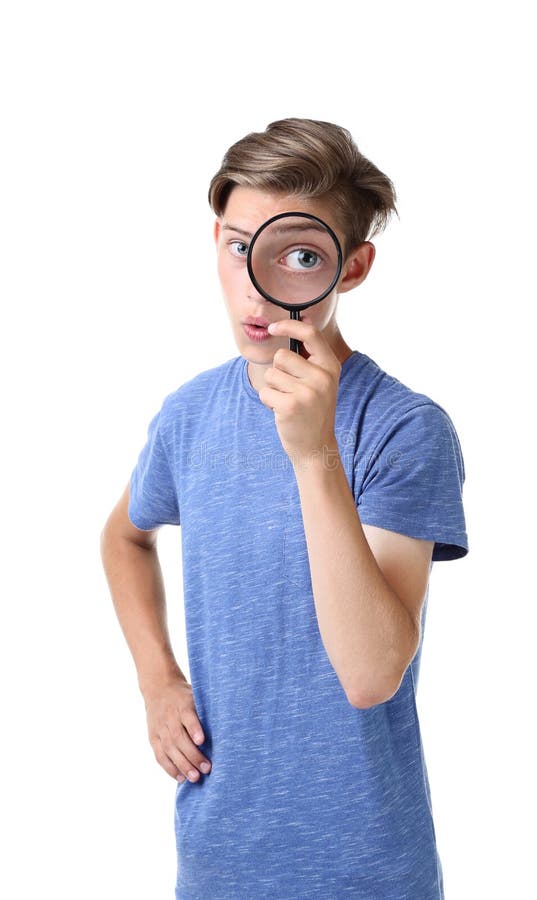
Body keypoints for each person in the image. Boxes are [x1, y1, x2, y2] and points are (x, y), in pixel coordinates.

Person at [100, 117, 469, 900]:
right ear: (217, 242)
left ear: (353, 266)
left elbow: (371, 673)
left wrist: (313, 454)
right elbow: (124, 539)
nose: (257, 286)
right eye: (240, 247)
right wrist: (157, 679)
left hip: (367, 870)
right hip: (217, 862)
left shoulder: (404, 429)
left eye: (300, 256)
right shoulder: (189, 415)